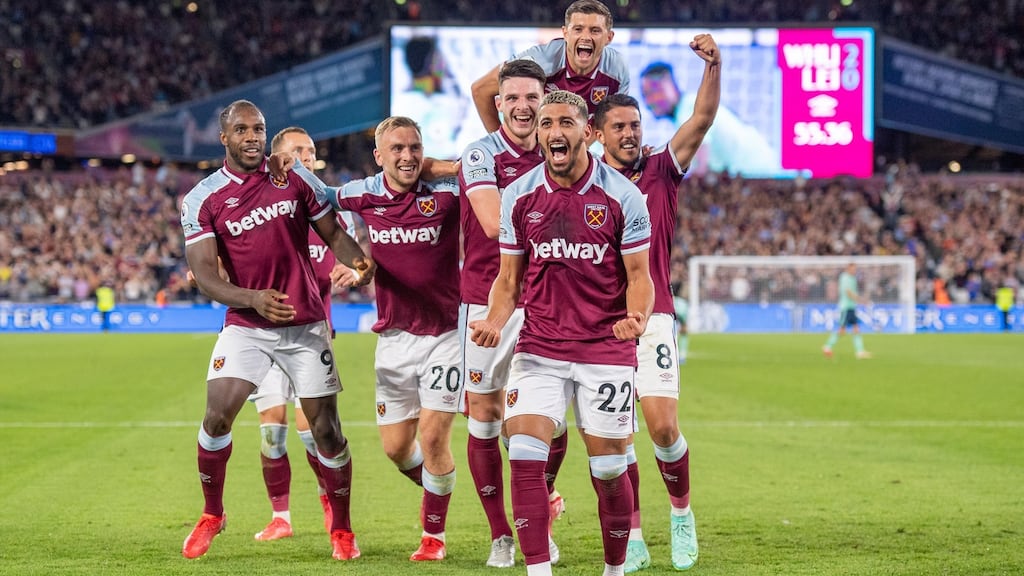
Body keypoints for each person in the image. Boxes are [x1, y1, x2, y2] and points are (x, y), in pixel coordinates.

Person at [179, 99, 374, 561]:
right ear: (224, 138)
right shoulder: (202, 198)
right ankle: (213, 514)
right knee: (216, 417)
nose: (252, 136)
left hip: (305, 323)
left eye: (259, 129)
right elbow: (205, 275)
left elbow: (333, 235)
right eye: (242, 130)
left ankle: (342, 529)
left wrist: (361, 264)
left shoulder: (295, 177)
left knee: (327, 432)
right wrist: (252, 298)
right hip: (247, 324)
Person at [470, 90, 654, 576]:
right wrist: (493, 320)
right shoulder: (519, 195)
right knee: (526, 457)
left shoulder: (623, 195)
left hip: (605, 350)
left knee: (610, 472)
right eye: (547, 123)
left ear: (588, 134)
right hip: (540, 347)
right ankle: (538, 570)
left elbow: (640, 276)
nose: (554, 131)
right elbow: (508, 281)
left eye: (567, 123)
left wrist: (637, 318)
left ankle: (614, 570)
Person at [291, 116, 462, 562]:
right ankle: (441, 489)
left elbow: (488, 172)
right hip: (394, 337)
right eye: (398, 149)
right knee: (395, 450)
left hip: (446, 332)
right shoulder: (363, 193)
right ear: (379, 156)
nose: (407, 157)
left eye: (414, 148)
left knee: (433, 439)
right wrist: (285, 167)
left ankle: (433, 536)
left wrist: (442, 167)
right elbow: (321, 197)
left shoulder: (446, 195)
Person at [592, 32, 720, 572]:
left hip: (656, 314)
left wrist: (714, 66)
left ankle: (682, 515)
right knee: (617, 440)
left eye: (635, 126)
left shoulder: (660, 168)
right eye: (618, 127)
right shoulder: (584, 181)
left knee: (663, 427)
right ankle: (636, 535)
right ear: (596, 134)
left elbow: (701, 119)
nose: (629, 134)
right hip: (598, 325)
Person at [458, 58, 566, 568]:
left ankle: (538, 506)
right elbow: (490, 221)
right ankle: (502, 532)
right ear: (498, 104)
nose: (524, 107)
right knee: (483, 414)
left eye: (533, 98)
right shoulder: (481, 154)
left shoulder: (561, 151)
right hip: (486, 299)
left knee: (547, 420)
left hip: (550, 304)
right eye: (513, 98)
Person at [248, 126, 359, 542]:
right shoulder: (259, 206)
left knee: (311, 433)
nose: (308, 156)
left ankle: (328, 497)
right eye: (298, 150)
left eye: (312, 151)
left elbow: (353, 257)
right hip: (263, 334)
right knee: (272, 433)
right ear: (277, 157)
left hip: (311, 334)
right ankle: (281, 517)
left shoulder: (325, 212)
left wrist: (354, 268)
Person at [470, 0, 629, 134]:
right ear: (565, 33)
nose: (586, 37)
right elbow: (480, 90)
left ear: (609, 37)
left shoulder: (617, 70)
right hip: (532, 144)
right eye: (578, 29)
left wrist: (577, 151)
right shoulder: (539, 62)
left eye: (595, 30)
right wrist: (502, 146)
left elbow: (609, 122)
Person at [638, 60, 779, 177]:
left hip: (759, 174)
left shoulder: (689, 109)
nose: (650, 100)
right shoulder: (691, 105)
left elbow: (701, 169)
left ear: (672, 86)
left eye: (655, 91)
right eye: (645, 94)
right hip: (761, 170)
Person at [391, 35, 470, 159]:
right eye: (439, 58)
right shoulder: (440, 105)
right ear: (430, 64)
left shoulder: (401, 102)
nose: (443, 64)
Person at [822, 262, 871, 359]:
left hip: (851, 307)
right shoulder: (845, 278)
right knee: (842, 330)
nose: (854, 271)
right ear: (848, 268)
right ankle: (827, 346)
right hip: (846, 307)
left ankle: (860, 351)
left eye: (855, 269)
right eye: (853, 269)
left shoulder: (852, 278)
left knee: (856, 328)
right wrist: (861, 300)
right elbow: (848, 292)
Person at [673, 285, 690, 365]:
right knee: (684, 333)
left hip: (671, 314)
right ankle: (682, 356)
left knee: (671, 333)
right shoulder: (683, 302)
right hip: (681, 313)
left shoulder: (671, 299)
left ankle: (673, 353)